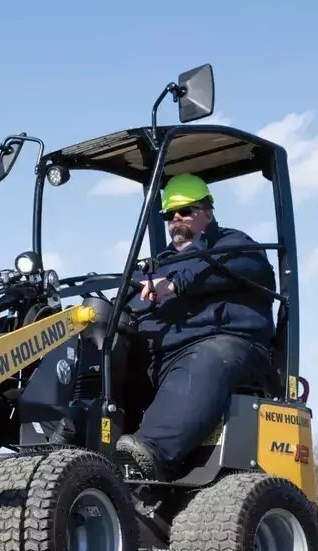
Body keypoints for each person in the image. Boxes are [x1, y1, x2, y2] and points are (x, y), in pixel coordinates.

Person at [115, 173, 277, 483]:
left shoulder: (233, 244)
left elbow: (230, 266)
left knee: (210, 357)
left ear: (207, 211)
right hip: (158, 351)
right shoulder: (157, 263)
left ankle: (150, 454)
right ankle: (76, 438)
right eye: (169, 214)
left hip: (221, 342)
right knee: (104, 347)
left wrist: (175, 284)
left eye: (186, 210)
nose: (177, 219)